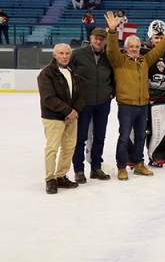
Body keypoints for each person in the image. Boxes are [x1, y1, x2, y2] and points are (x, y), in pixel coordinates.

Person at [103, 11, 165, 180]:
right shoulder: (119, 60)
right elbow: (112, 48)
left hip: (143, 104)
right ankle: (122, 167)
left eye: (137, 46)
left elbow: (159, 49)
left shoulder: (145, 61)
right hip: (127, 105)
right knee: (124, 137)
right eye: (131, 47)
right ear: (126, 48)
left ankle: (139, 164)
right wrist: (112, 31)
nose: (135, 49)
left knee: (140, 136)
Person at [38, 44, 85, 194]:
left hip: (72, 118)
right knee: (52, 148)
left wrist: (75, 111)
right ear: (55, 55)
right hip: (53, 118)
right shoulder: (46, 73)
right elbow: (48, 98)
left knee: (69, 147)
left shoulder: (73, 71)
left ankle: (61, 176)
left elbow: (81, 94)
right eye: (61, 53)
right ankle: (50, 179)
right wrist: (68, 111)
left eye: (67, 53)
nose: (64, 56)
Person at [69, 28, 115, 183]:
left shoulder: (109, 56)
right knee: (80, 137)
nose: (99, 41)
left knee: (99, 136)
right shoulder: (78, 54)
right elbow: (68, 74)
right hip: (84, 103)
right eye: (96, 38)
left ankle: (96, 167)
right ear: (91, 38)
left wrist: (112, 92)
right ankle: (79, 170)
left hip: (103, 102)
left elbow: (116, 75)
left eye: (102, 39)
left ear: (105, 40)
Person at [140, 20, 165, 167]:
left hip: (163, 99)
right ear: (150, 37)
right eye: (156, 37)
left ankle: (156, 156)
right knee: (139, 130)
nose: (159, 40)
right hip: (143, 99)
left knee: (160, 130)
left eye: (162, 37)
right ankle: (134, 158)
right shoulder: (142, 52)